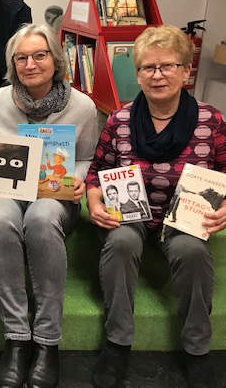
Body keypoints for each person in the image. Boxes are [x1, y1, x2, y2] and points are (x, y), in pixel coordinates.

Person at [85, 25, 226, 388]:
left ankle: (196, 349)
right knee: (121, 242)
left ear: (185, 70)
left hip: (185, 222)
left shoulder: (211, 122)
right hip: (130, 217)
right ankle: (117, 343)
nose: (157, 75)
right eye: (148, 67)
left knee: (192, 251)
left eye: (167, 66)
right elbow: (96, 172)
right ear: (138, 74)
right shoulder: (118, 120)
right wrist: (94, 199)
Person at [0, 23, 98, 388]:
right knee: (0, 215)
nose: (31, 63)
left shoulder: (83, 107)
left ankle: (46, 341)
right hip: (7, 192)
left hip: (55, 196)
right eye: (22, 57)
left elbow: (87, 157)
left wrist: (79, 179)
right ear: (13, 64)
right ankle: (16, 337)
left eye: (39, 55)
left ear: (55, 60)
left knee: (42, 218)